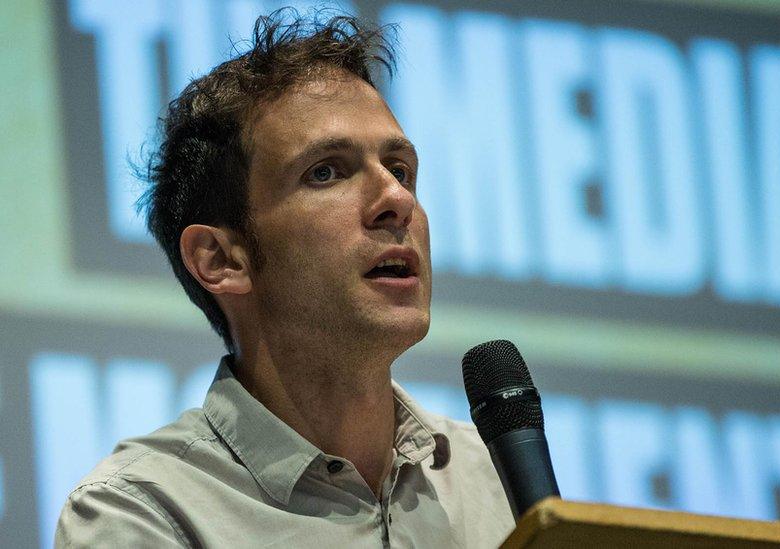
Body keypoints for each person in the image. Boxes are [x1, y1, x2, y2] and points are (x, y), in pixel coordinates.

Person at [55, 9, 514, 548]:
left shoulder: (497, 482)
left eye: (399, 168)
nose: (397, 199)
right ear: (222, 259)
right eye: (326, 172)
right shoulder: (143, 511)